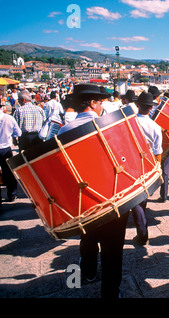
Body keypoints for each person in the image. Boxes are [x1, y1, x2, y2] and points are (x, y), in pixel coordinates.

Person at [58, 84, 129, 298]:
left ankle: (88, 272)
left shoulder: (63, 130)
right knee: (113, 250)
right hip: (111, 197)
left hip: (83, 200)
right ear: (92, 103)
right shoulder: (106, 126)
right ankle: (111, 293)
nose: (101, 106)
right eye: (99, 102)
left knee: (87, 239)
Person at [131, 91, 163, 245]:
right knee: (141, 199)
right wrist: (157, 172)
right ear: (151, 108)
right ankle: (142, 232)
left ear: (137, 105)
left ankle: (142, 233)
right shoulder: (155, 127)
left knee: (135, 200)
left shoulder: (129, 123)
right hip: (147, 165)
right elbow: (158, 153)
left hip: (129, 164)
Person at [0, 104, 22, 204]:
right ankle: (12, 194)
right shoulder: (9, 118)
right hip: (5, 148)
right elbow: (18, 133)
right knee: (8, 172)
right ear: (2, 108)